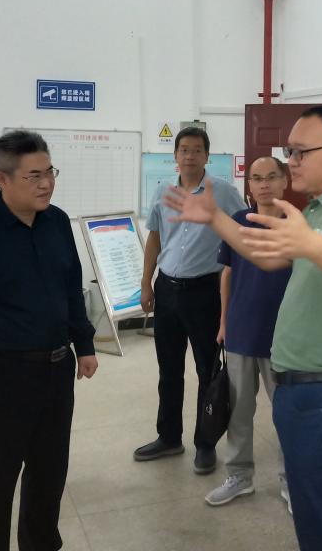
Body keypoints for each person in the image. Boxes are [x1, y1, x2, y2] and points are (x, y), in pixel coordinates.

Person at [164, 105, 322, 550]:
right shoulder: (319, 212)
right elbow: (267, 256)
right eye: (291, 152)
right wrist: (216, 219)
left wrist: (310, 244)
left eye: (302, 152)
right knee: (314, 521)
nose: (292, 161)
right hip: (301, 389)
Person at [0, 130, 98, 551]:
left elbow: (71, 289)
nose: (46, 183)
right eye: (34, 176)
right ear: (3, 179)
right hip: (4, 376)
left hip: (56, 371)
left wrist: (84, 344)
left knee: (49, 476)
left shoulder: (57, 223)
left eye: (50, 172)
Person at [133, 126, 246, 475]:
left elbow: (242, 235)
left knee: (206, 371)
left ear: (207, 156)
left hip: (205, 292)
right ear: (175, 155)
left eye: (197, 150)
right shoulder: (163, 192)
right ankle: (169, 437)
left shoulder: (224, 192)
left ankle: (205, 443)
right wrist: (146, 282)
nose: (190, 156)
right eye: (184, 150)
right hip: (167, 289)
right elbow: (155, 238)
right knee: (169, 370)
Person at [204, 156, 292, 510]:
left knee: (286, 414)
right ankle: (239, 476)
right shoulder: (239, 222)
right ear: (249, 185)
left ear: (285, 180)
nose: (264, 184)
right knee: (238, 411)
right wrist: (224, 321)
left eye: (271, 177)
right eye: (256, 178)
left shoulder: (297, 227)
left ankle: (291, 480)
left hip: (284, 338)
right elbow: (227, 273)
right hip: (241, 331)